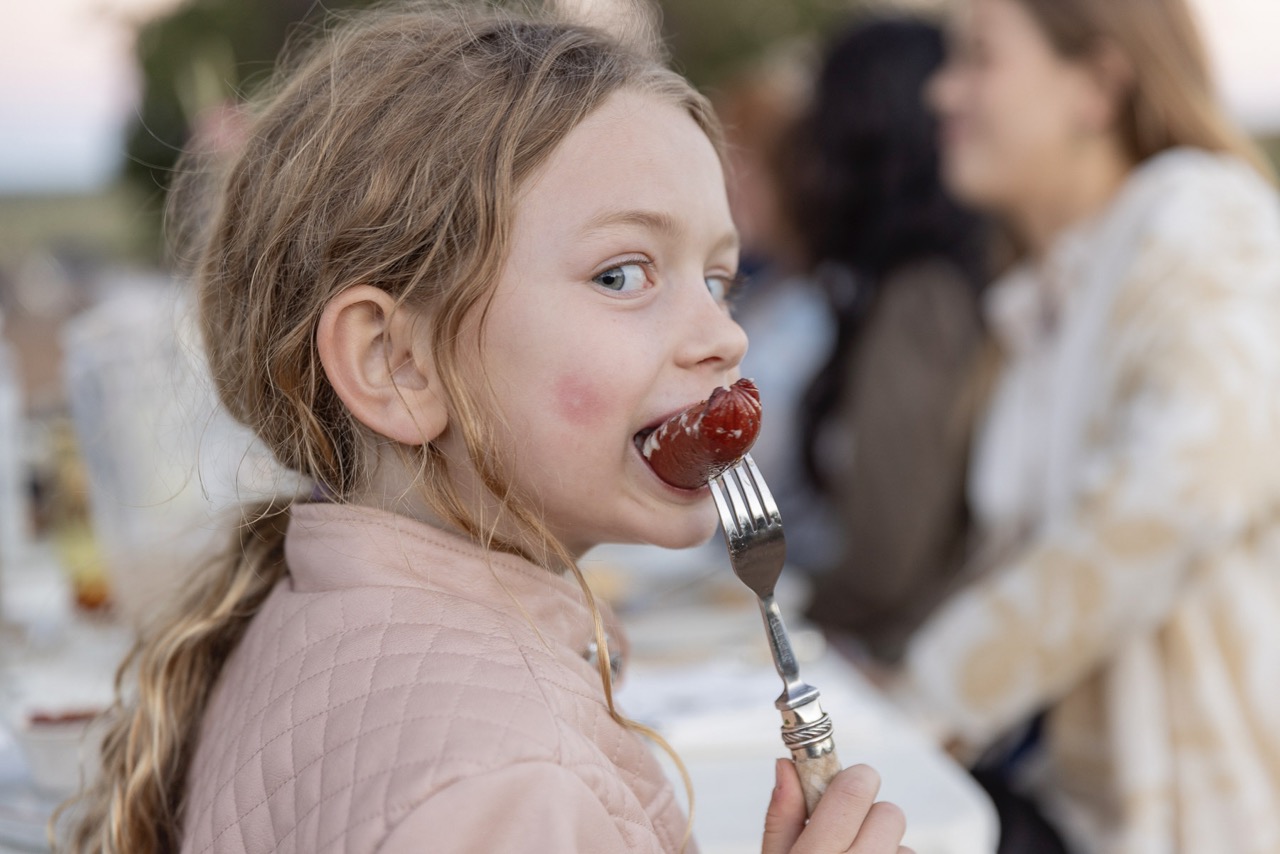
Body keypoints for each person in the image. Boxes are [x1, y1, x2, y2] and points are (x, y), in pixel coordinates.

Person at [59, 6, 912, 854]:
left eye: (718, 279)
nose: (725, 335)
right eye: (622, 274)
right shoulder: (514, 789)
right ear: (396, 362)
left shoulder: (307, 611)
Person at [884, 0, 1280, 852]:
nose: (942, 92)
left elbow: (1186, 483)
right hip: (1074, 810)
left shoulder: (1202, 215)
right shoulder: (1051, 291)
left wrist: (926, 700)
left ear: (1098, 85)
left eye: (979, 57)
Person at [773, 17, 989, 661]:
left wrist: (777, 613)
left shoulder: (923, 301)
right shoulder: (911, 288)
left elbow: (887, 557)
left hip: (903, 666)